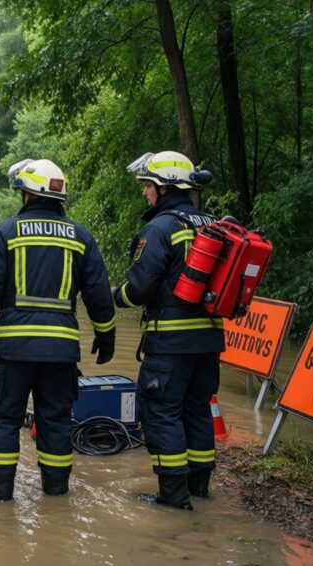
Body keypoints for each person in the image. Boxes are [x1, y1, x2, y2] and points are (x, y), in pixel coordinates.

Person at [0, 158, 116, 501]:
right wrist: (106, 336)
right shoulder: (81, 238)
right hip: (61, 353)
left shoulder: (5, 233)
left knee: (3, 421)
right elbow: (99, 295)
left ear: (27, 194)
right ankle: (56, 497)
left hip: (12, 350)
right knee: (56, 422)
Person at [114, 150, 223, 510]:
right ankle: (199, 489)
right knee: (197, 409)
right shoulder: (211, 224)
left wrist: (113, 296)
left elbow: (139, 288)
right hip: (209, 339)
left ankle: (173, 497)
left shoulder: (161, 228)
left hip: (171, 342)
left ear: (164, 188)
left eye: (148, 185)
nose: (144, 192)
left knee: (160, 411)